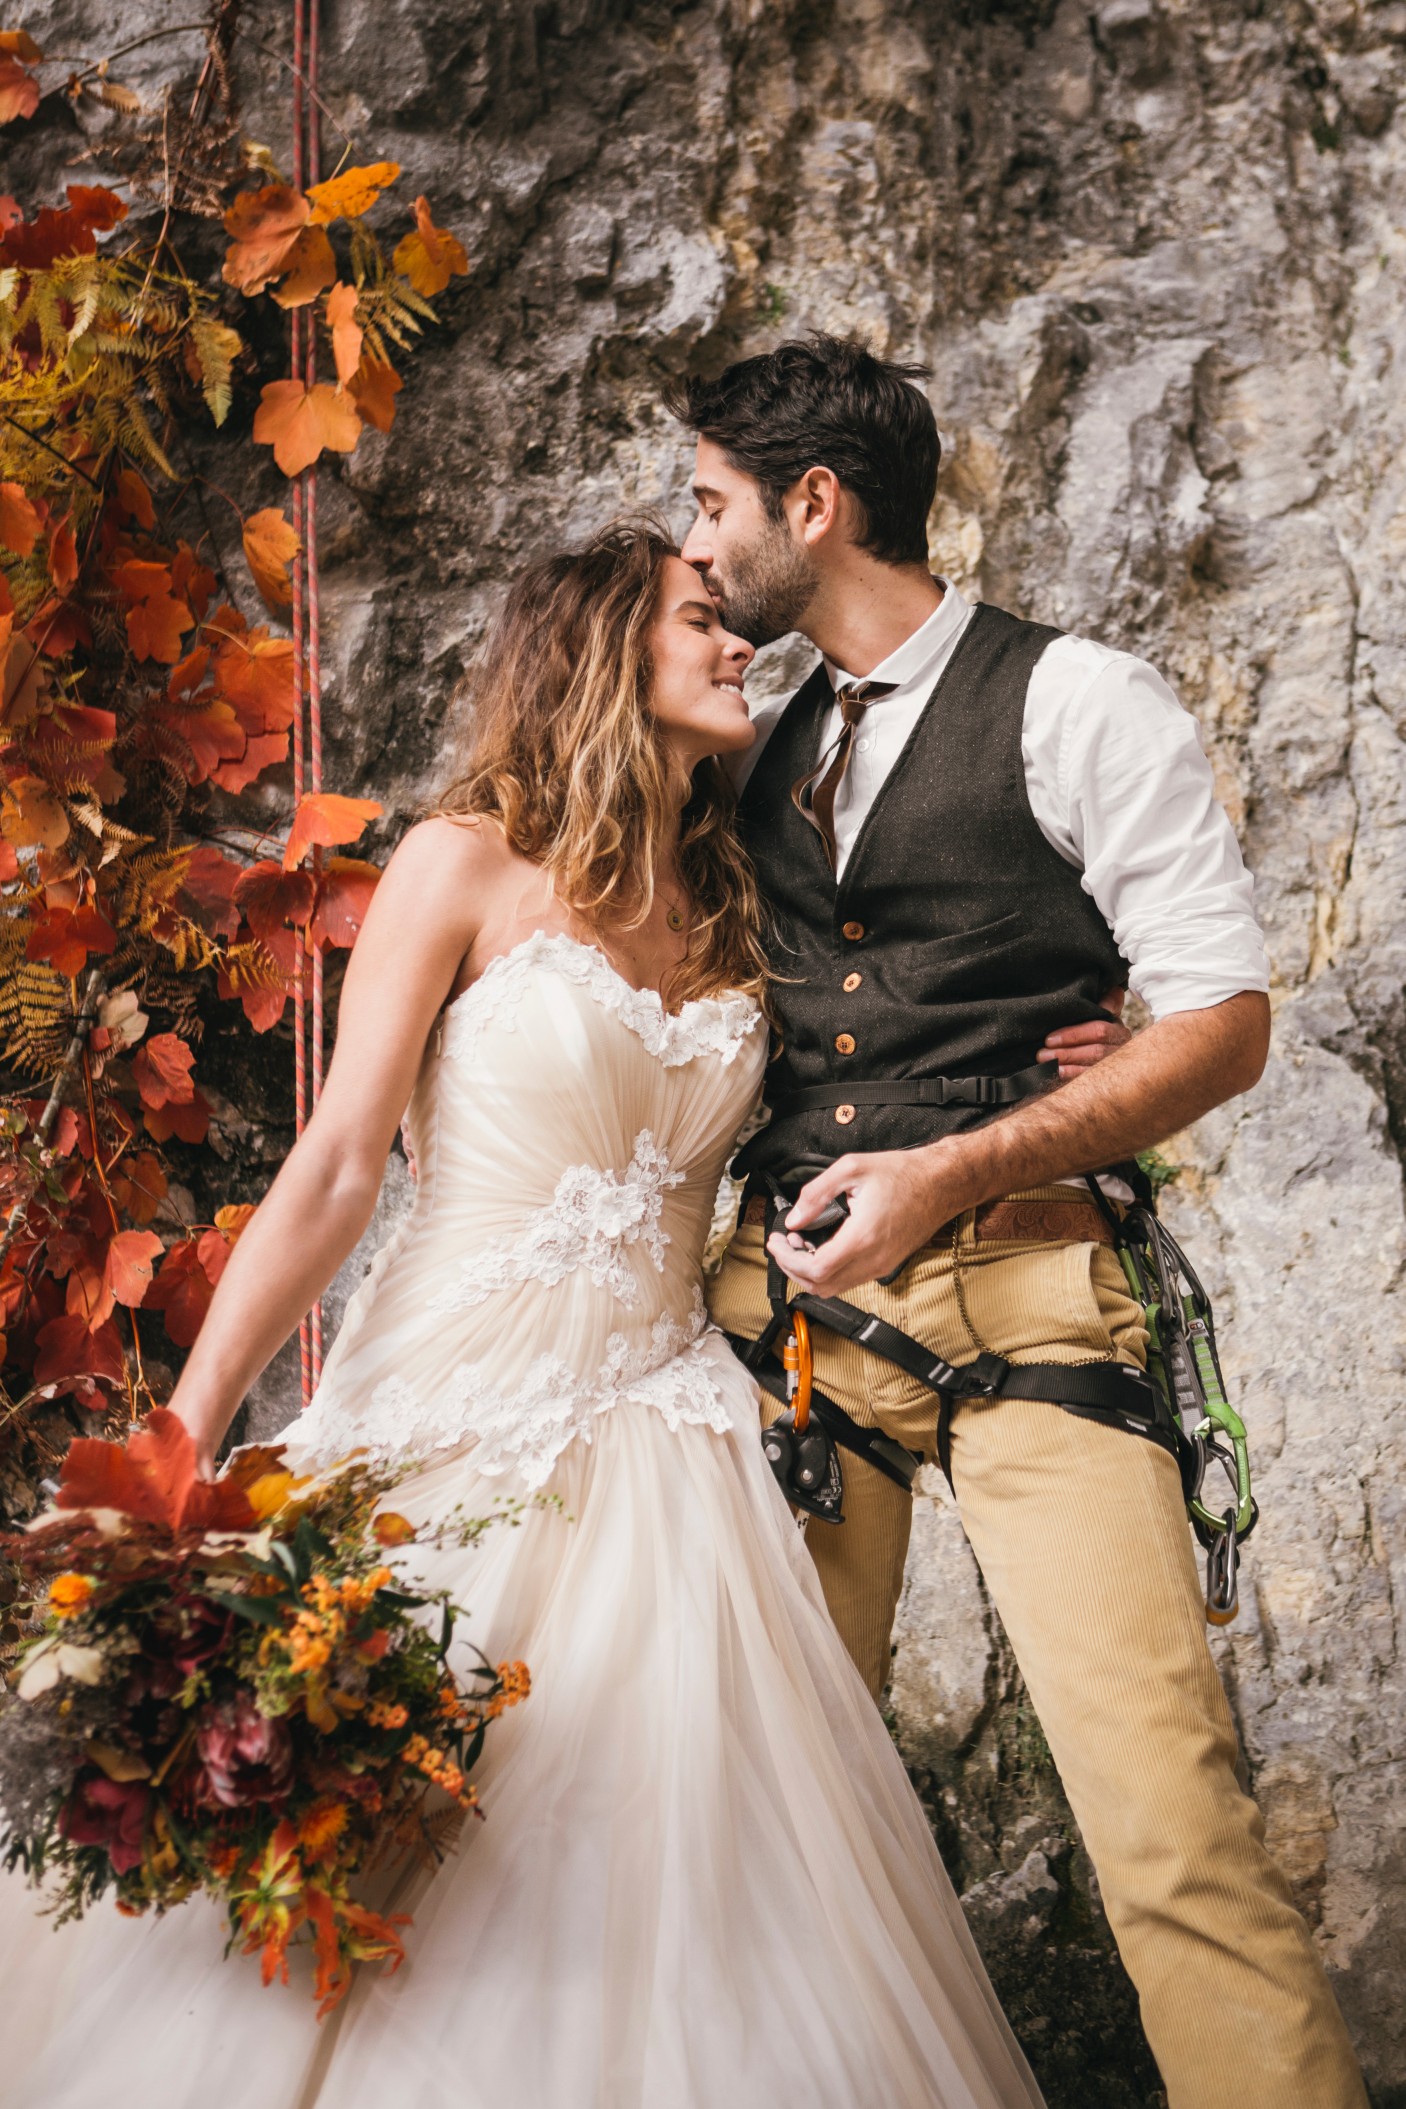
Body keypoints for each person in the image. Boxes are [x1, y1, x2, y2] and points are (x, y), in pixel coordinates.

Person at [2, 522, 1074, 2109]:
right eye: (705, 621)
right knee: (369, 1845)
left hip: (667, 1444)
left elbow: (907, 1017)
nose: (742, 649)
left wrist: (1073, 1032)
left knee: (668, 1881)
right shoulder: (460, 861)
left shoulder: (743, 900)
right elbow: (337, 1163)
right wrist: (186, 1430)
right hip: (437, 1419)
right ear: (594, 647)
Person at [675, 335, 1368, 2109]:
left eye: (711, 505)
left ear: (811, 506)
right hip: (788, 1334)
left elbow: (1222, 1018)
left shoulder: (1080, 702)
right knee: (746, 1826)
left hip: (1033, 1305)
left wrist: (963, 1158)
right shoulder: (729, 738)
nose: (695, 547)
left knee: (1168, 1830)